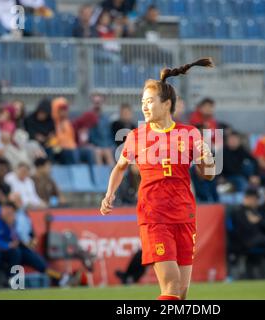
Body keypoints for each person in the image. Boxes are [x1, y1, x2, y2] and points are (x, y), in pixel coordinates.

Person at [100, 58, 216, 300]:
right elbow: (120, 167)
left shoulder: (189, 133)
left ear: (167, 104)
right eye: (142, 102)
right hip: (155, 216)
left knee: (181, 294)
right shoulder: (135, 136)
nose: (144, 106)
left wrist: (207, 159)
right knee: (171, 286)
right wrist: (109, 193)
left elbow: (208, 174)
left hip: (185, 215)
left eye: (149, 101)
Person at [0, 201, 70, 287]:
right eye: (9, 213)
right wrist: (9, 245)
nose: (11, 215)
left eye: (12, 213)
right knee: (15, 252)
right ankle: (12, 280)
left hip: (7, 248)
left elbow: (14, 237)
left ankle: (57, 277)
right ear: (3, 209)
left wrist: (18, 240)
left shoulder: (10, 219)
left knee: (29, 255)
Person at [229, 188, 265, 279]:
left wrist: (258, 221)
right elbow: (238, 231)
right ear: (248, 198)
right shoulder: (238, 211)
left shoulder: (255, 211)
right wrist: (251, 222)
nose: (256, 202)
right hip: (245, 241)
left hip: (257, 238)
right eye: (254, 199)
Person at [50, 97, 95, 166]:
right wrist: (60, 147)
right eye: (61, 110)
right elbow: (52, 142)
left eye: (65, 109)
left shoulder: (68, 123)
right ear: (56, 110)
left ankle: (92, 175)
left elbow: (74, 139)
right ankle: (76, 174)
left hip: (73, 148)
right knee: (71, 152)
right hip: (59, 149)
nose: (64, 112)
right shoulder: (52, 124)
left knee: (88, 152)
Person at [88, 95, 115, 165]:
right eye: (95, 103)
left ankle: (113, 175)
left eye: (99, 103)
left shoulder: (106, 119)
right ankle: (100, 175)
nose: (97, 106)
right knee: (98, 152)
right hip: (96, 146)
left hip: (106, 146)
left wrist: (110, 145)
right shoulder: (89, 119)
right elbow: (90, 136)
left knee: (108, 152)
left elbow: (109, 136)